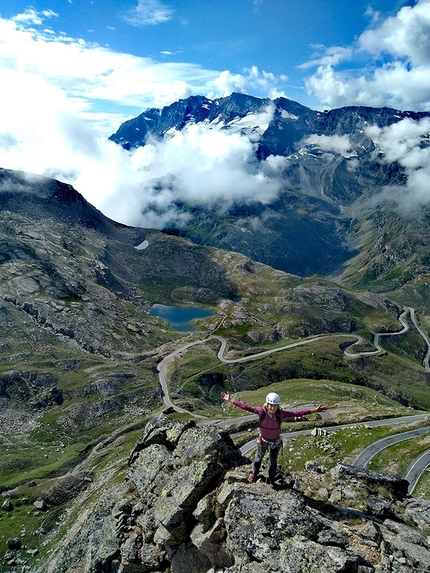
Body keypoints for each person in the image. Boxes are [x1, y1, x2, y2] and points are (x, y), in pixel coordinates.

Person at [220, 391, 328, 489]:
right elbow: (246, 406)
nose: (273, 408)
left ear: (278, 405)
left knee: (273, 463)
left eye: (275, 405)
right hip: (263, 440)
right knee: (258, 459)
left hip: (275, 442)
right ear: (267, 404)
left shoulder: (280, 414)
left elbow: (297, 413)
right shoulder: (261, 411)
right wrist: (230, 400)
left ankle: (271, 480)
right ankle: (254, 474)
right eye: (271, 405)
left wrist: (315, 410)